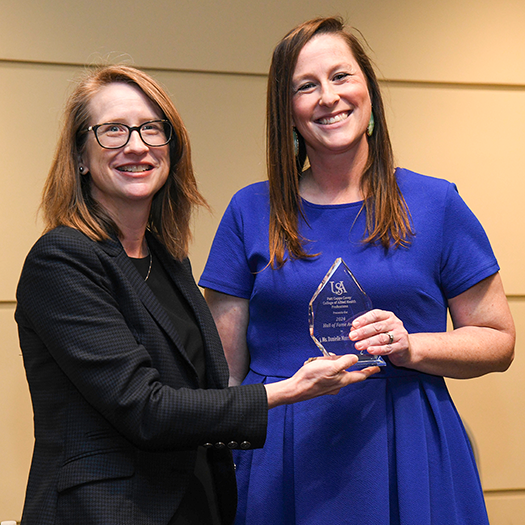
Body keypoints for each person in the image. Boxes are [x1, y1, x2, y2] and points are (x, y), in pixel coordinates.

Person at [15, 64, 379, 525]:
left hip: (195, 505)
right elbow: (145, 408)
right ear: (81, 157)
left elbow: (206, 390)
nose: (136, 145)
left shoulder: (168, 260)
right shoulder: (62, 259)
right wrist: (285, 391)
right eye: (112, 131)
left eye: (152, 129)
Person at [199, 17, 516, 525]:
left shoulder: (437, 204)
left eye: (341, 76)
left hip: (408, 448)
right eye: (306, 86)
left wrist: (414, 345)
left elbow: (498, 339)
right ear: (288, 112)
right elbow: (225, 375)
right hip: (280, 454)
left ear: (368, 90)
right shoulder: (249, 211)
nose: (329, 97)